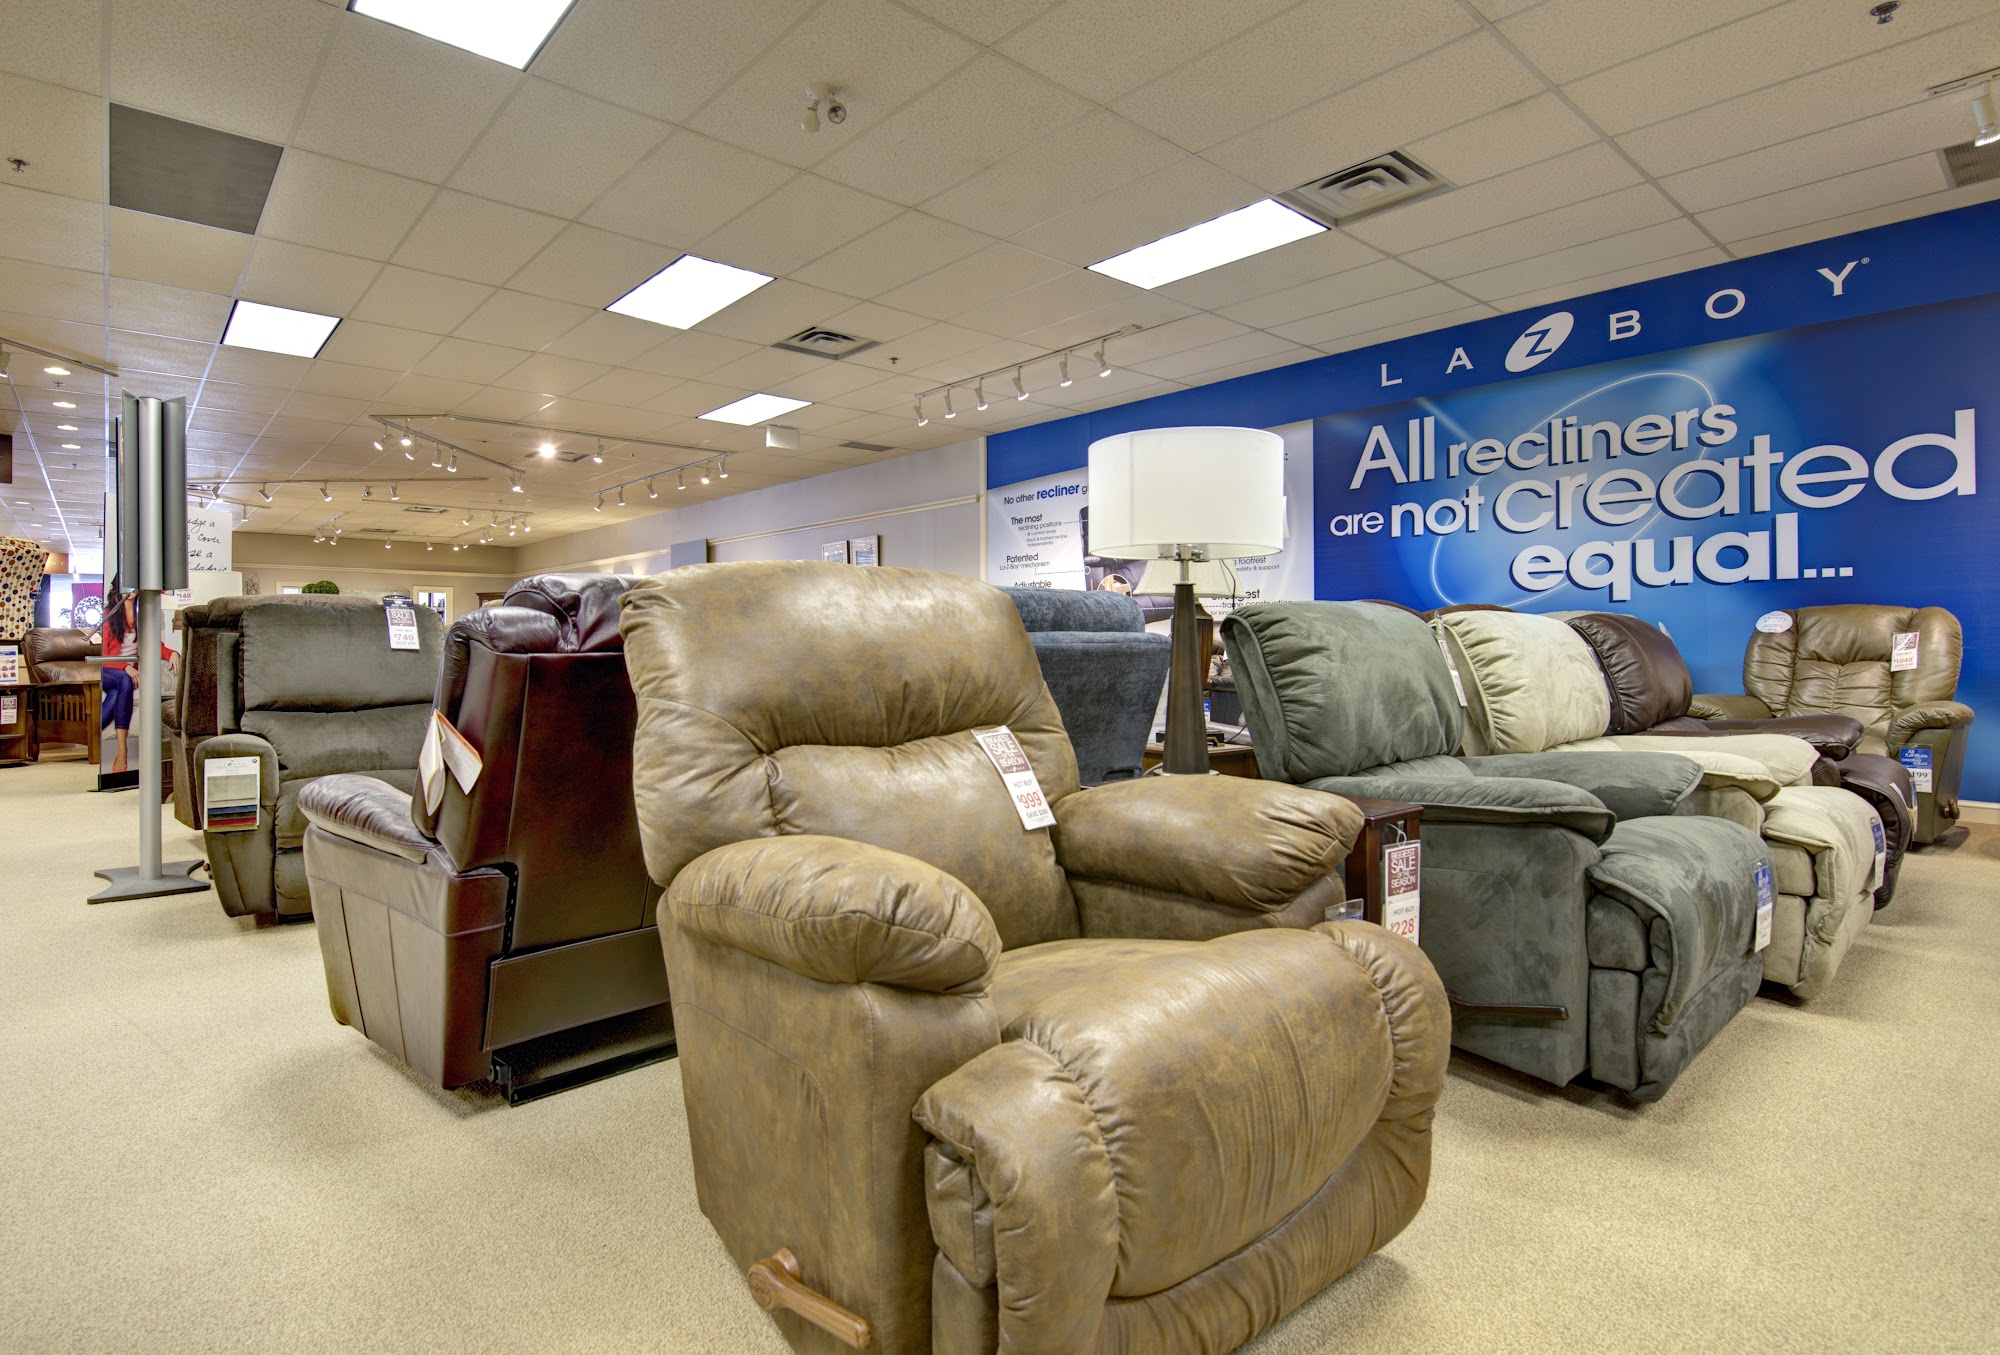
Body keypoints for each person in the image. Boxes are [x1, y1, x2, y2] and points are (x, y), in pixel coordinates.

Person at [98, 589, 175, 774]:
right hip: (107, 670)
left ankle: (91, 734)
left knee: (116, 693)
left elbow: (154, 645)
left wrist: (172, 653)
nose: (130, 589)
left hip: (124, 676)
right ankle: (122, 751)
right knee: (124, 680)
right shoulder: (109, 613)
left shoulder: (143, 614)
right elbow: (103, 654)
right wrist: (125, 666)